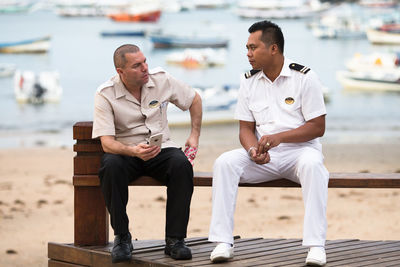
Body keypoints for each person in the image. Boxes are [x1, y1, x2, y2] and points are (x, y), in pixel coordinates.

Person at [208, 20, 329, 266]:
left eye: (253, 47)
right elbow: (245, 129)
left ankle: (316, 246)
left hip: (300, 153)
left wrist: (279, 138)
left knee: (314, 166)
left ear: (273, 48)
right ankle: (223, 242)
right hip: (264, 157)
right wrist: (253, 150)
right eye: (247, 47)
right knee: (225, 163)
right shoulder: (248, 80)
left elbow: (318, 127)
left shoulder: (304, 77)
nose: (248, 53)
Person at [92, 44, 202, 263]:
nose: (145, 68)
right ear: (120, 72)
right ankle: (122, 238)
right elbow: (107, 143)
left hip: (161, 149)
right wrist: (132, 151)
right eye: (137, 65)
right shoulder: (105, 94)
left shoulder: (162, 80)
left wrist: (194, 135)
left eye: (145, 62)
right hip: (127, 153)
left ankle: (175, 240)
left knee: (181, 165)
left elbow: (194, 99)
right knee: (110, 166)